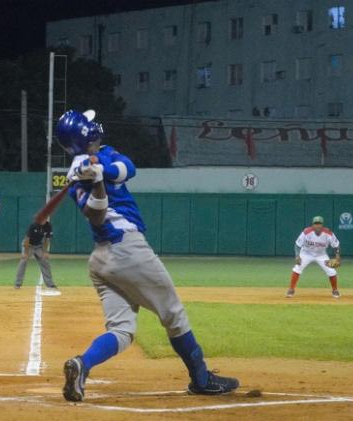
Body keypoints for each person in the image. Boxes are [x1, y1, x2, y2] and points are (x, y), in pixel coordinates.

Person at [55, 109, 239, 402]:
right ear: (84, 133)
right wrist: (97, 183)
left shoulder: (101, 156)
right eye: (89, 124)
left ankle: (82, 364)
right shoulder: (77, 176)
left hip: (102, 261)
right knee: (174, 314)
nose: (94, 124)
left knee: (122, 330)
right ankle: (201, 378)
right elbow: (97, 216)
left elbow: (128, 167)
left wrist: (102, 171)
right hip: (126, 249)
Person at [286, 216, 341, 298]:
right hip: (306, 253)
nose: (317, 225)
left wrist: (337, 257)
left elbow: (336, 246)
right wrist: (297, 256)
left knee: (331, 271)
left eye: (319, 224)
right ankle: (291, 289)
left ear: (322, 225)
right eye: (316, 224)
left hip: (321, 255)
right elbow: (297, 245)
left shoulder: (328, 233)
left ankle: (335, 290)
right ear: (313, 225)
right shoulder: (306, 232)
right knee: (297, 268)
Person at [14, 219, 60, 296]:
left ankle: (50, 284)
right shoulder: (34, 225)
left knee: (45, 262)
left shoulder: (48, 226)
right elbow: (27, 239)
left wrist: (45, 252)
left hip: (39, 246)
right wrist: (25, 253)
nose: (44, 219)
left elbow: (47, 240)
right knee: (23, 262)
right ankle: (18, 283)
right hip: (29, 246)